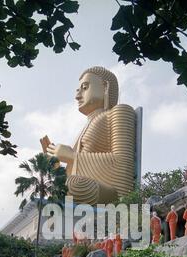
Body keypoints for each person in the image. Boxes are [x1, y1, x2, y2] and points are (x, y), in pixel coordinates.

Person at [41, 66, 136, 205]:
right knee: (58, 185)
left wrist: (72, 156)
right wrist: (55, 167)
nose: (77, 96)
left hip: (111, 194)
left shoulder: (119, 112)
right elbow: (76, 171)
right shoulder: (86, 126)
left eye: (85, 88)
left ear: (105, 87)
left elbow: (123, 163)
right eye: (78, 90)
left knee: (73, 184)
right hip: (82, 186)